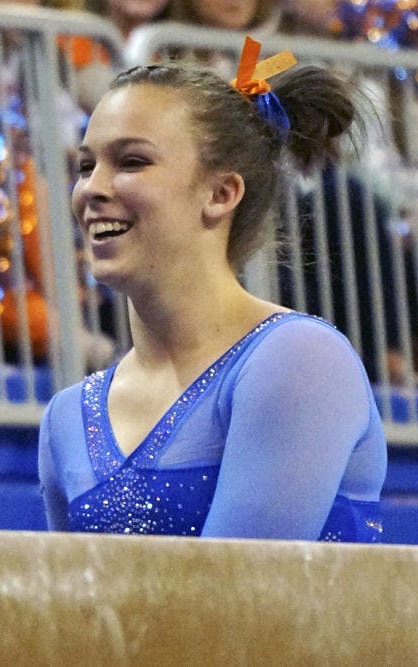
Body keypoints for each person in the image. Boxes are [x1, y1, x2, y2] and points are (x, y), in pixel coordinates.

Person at [38, 37, 388, 541]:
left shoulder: (298, 361)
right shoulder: (67, 419)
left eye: (132, 161)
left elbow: (239, 608)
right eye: (87, 165)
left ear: (220, 194)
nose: (93, 188)